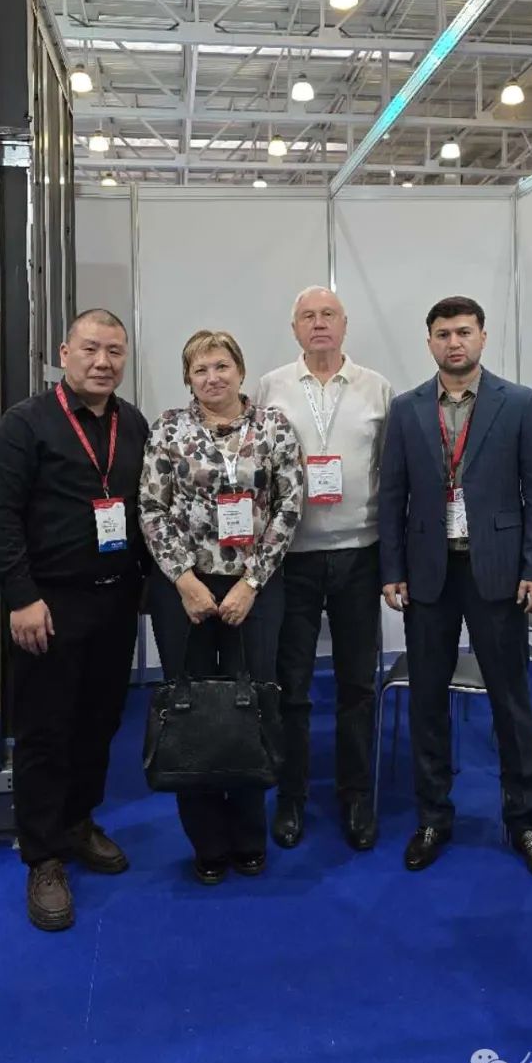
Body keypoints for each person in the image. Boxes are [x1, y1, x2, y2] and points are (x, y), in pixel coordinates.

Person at [0, 309, 149, 932]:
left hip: (115, 601)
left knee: (99, 722)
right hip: (48, 605)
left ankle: (78, 821)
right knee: (46, 730)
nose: (103, 362)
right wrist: (21, 597)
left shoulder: (133, 423)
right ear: (63, 352)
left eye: (114, 351)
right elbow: (0, 515)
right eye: (90, 349)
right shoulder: (26, 424)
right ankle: (43, 855)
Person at [378, 295, 532, 880]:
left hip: (498, 573)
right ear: (429, 341)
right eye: (443, 334)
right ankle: (433, 816)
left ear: (482, 336)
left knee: (511, 699)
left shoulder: (518, 403)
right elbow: (392, 496)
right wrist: (391, 568)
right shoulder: (407, 410)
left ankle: (524, 820)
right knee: (428, 698)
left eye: (463, 332)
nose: (454, 342)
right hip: (429, 573)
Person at [141, 330, 304, 885]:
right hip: (182, 588)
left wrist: (251, 582)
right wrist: (185, 581)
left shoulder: (273, 427)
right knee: (191, 710)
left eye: (221, 366)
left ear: (240, 370)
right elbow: (152, 508)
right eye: (200, 369)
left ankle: (249, 834)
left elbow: (289, 507)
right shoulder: (168, 428)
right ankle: (207, 841)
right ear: (188, 379)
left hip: (254, 587)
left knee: (251, 706)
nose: (212, 378)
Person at [256, 287, 391, 852]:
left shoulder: (376, 387)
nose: (319, 324)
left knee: (357, 683)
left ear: (345, 324)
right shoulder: (271, 387)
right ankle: (291, 795)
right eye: (307, 316)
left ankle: (355, 794)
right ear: (294, 328)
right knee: (292, 684)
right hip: (292, 556)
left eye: (328, 314)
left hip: (360, 552)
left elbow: (389, 471)